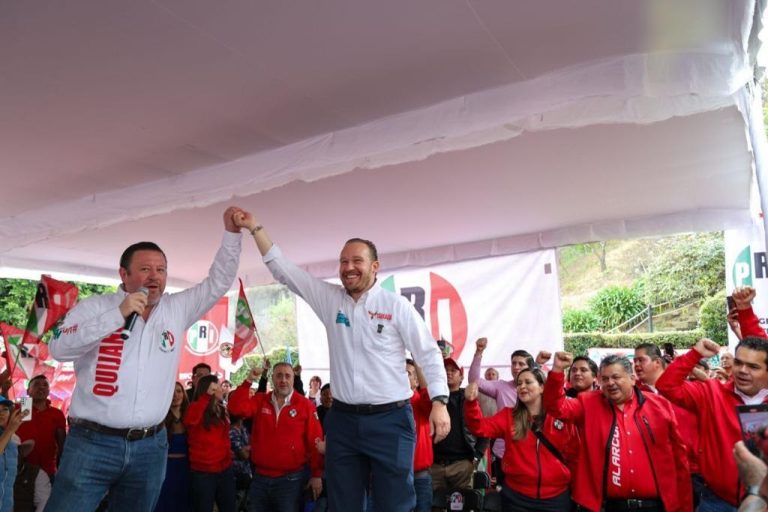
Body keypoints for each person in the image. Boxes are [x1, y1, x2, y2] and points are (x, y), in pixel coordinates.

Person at [233, 209, 450, 512]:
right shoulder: (330, 299)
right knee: (343, 504)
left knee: (395, 505)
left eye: (357, 261)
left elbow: (427, 353)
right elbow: (285, 271)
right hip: (344, 421)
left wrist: (439, 401)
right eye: (343, 262)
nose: (348, 268)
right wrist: (255, 228)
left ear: (375, 266)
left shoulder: (396, 306)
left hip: (391, 420)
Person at [45, 206, 243, 512]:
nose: (155, 277)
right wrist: (118, 314)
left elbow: (218, 282)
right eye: (145, 269)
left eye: (161, 270)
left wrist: (231, 234)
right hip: (91, 445)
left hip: (150, 447)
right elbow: (58, 348)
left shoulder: (177, 309)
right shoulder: (95, 308)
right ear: (124, 274)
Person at [544, 352, 692, 512]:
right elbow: (555, 406)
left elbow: (679, 456)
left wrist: (684, 505)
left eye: (616, 377)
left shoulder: (659, 406)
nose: (610, 383)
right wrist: (557, 370)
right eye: (605, 379)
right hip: (606, 506)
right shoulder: (588, 403)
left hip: (655, 505)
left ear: (632, 379)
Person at [657, 337, 768, 510]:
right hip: (716, 501)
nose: (743, 371)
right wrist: (695, 354)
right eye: (738, 363)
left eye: (753, 366)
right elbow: (666, 386)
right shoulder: (711, 392)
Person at [464, 369, 578, 511]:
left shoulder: (562, 416)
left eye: (528, 382)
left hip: (557, 498)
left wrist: (576, 490)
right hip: (517, 498)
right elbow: (479, 428)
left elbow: (574, 456)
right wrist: (471, 404)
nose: (522, 386)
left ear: (542, 387)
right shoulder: (508, 416)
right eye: (519, 383)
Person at [228, 364, 323, 512]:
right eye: (279, 375)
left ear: (293, 379)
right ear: (272, 379)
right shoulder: (260, 400)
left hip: (291, 481)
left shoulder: (305, 405)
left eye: (287, 376)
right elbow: (236, 408)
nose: (283, 380)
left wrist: (317, 474)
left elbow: (315, 441)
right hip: (260, 478)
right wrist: (248, 380)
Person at [432, 358, 488, 502]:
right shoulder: (432, 400)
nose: (448, 373)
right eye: (446, 370)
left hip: (462, 465)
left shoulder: (470, 400)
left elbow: (484, 431)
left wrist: (475, 457)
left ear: (462, 376)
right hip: (435, 466)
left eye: (453, 370)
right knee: (434, 506)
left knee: (463, 506)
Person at [185, 375, 235, 512]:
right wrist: (206, 397)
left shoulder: (221, 409)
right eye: (218, 386)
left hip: (225, 469)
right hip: (204, 472)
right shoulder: (194, 407)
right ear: (210, 389)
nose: (222, 389)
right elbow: (190, 421)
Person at [15, 375, 66, 479]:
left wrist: (62, 471)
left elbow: (62, 445)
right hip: (19, 469)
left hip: (47, 470)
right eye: (37, 384)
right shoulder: (21, 408)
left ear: (48, 391)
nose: (41, 387)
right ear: (28, 391)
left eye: (45, 385)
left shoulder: (57, 413)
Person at [154, 382, 190, 512]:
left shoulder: (191, 415)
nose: (176, 395)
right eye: (172, 392)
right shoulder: (159, 417)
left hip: (187, 467)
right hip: (165, 467)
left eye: (179, 391)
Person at [406, 359, 434, 512]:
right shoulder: (387, 404)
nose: (403, 375)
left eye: (408, 373)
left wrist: (417, 362)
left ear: (416, 381)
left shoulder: (421, 402)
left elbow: (429, 396)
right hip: (396, 477)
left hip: (420, 477)